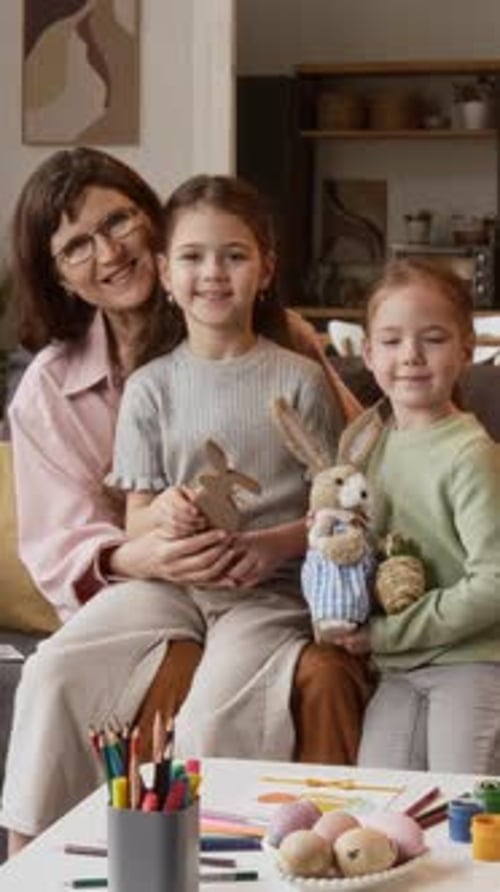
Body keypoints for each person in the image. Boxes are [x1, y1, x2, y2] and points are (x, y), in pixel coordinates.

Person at [2, 149, 372, 854]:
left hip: (260, 589)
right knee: (51, 671)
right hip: (153, 587)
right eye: (77, 244)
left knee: (213, 709)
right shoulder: (65, 389)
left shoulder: (283, 354)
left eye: (119, 221)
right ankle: (25, 863)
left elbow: (352, 474)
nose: (108, 251)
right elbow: (74, 550)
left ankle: (216, 859)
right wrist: (155, 540)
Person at [336, 257, 500, 774]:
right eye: (390, 341)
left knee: (464, 809)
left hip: (469, 663)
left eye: (432, 338)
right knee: (383, 800)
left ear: (467, 350)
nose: (410, 356)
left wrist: (386, 635)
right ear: (366, 352)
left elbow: (495, 582)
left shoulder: (470, 453)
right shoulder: (372, 446)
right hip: (398, 671)